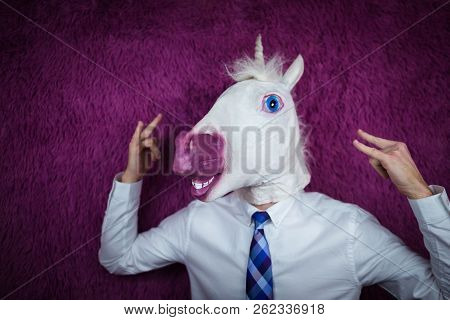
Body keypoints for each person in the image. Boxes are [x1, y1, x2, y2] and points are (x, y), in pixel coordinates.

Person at [98, 114, 449, 299]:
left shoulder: (350, 230)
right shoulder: (199, 220)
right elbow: (119, 258)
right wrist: (132, 177)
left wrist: (420, 194)